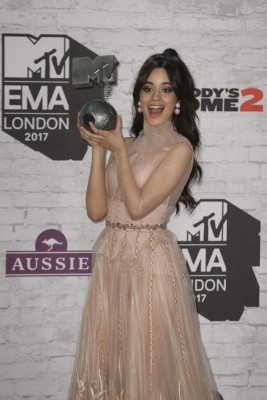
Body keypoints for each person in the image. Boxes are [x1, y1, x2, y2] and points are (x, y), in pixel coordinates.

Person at [68, 48, 222, 400]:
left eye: (166, 89)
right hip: (112, 262)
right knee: (112, 365)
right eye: (148, 88)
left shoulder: (179, 150)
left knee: (148, 368)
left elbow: (137, 207)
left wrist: (117, 152)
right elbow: (96, 211)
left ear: (178, 100)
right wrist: (98, 148)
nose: (155, 98)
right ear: (138, 97)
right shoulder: (127, 144)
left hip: (149, 265)